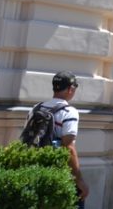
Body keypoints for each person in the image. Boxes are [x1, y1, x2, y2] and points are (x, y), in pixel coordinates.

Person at [25, 72, 88, 208]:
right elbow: (69, 146)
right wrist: (79, 180)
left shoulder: (36, 108)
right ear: (71, 89)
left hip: (33, 168)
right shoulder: (69, 112)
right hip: (58, 171)